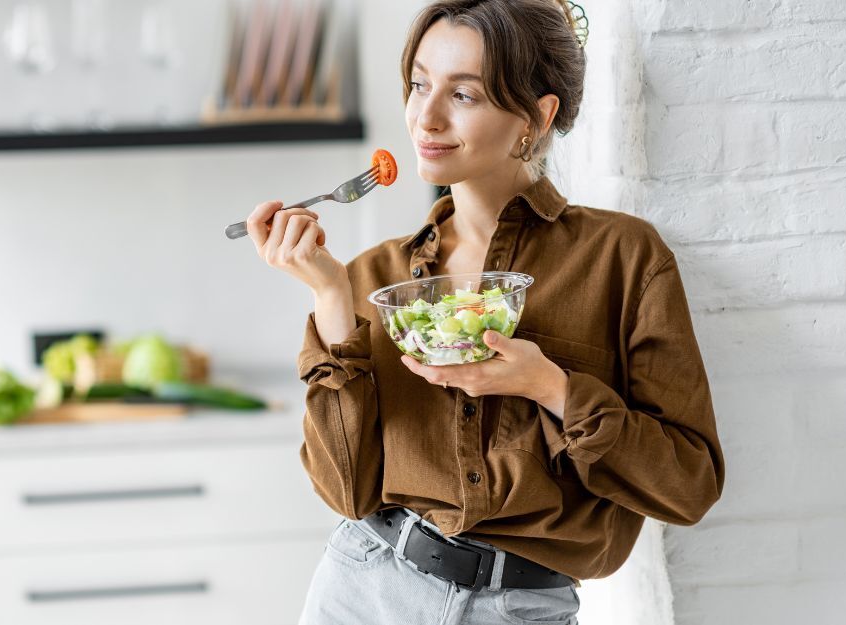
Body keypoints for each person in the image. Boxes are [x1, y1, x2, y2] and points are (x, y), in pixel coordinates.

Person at [244, 1, 724, 623]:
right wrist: (331, 298)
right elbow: (346, 492)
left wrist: (550, 386)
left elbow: (688, 485)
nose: (427, 117)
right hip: (361, 590)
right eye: (419, 84)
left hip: (520, 607)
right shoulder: (373, 279)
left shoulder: (622, 258)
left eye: (464, 94)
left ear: (536, 116)